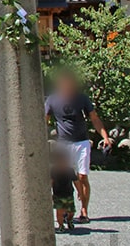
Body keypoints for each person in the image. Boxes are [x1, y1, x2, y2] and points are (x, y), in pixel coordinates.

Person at [45, 70, 111, 223]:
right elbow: (45, 120)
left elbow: (94, 118)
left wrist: (105, 137)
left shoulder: (82, 99)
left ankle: (84, 210)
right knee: (62, 177)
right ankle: (64, 210)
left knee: (82, 176)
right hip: (63, 142)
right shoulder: (52, 100)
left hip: (81, 142)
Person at [51, 148, 77, 233]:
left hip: (69, 194)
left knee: (71, 211)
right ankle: (61, 225)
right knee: (59, 211)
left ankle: (69, 219)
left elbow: (76, 182)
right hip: (58, 195)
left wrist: (80, 192)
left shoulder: (70, 171)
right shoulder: (54, 171)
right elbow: (51, 182)